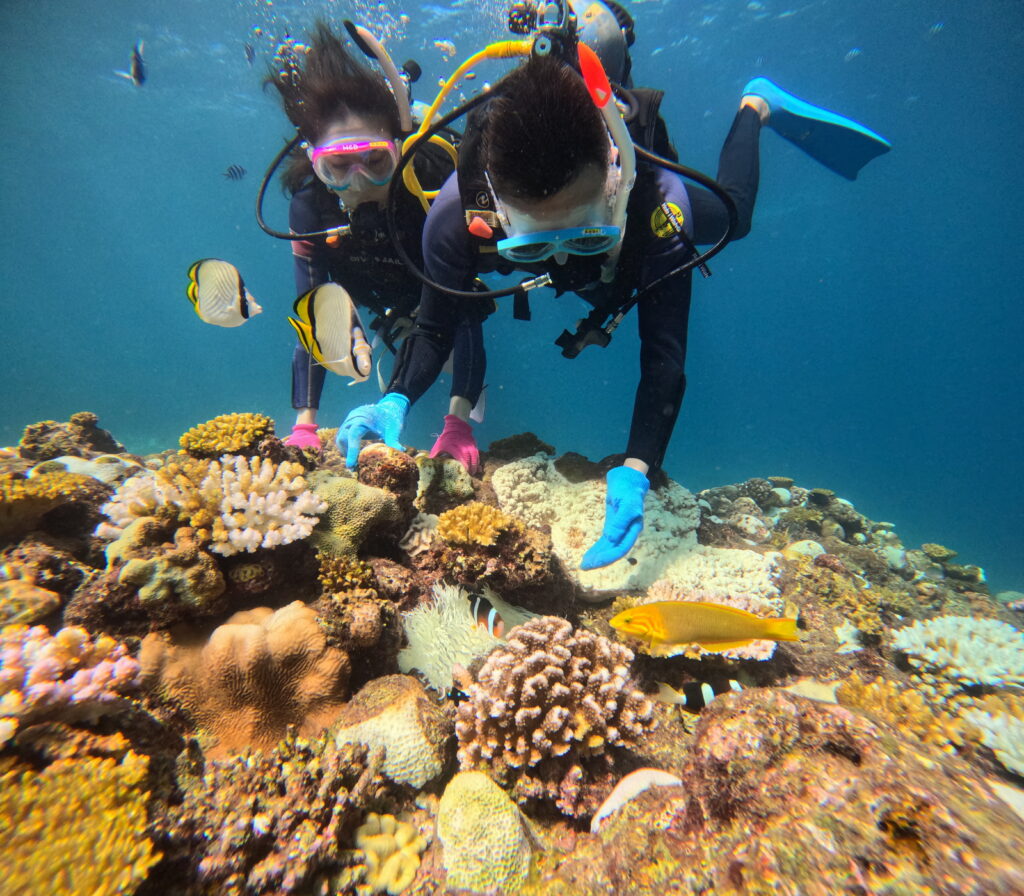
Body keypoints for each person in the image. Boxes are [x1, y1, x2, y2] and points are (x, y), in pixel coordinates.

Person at [336, 6, 889, 570]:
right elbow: (435, 326)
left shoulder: (655, 201)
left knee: (734, 217)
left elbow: (665, 355)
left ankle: (756, 105)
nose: (555, 260)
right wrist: (392, 402)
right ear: (495, 213)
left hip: (641, 219)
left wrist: (636, 468)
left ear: (615, 191)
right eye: (530, 248)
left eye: (584, 239)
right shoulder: (456, 214)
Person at [266, 22, 483, 454]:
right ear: (313, 164)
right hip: (375, 302)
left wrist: (459, 427)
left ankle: (459, 418)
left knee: (460, 313)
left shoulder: (432, 185)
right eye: (337, 168)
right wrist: (305, 428)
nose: (360, 182)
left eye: (375, 162)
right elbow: (315, 318)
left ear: (399, 150)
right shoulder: (310, 209)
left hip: (435, 295)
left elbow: (462, 308)